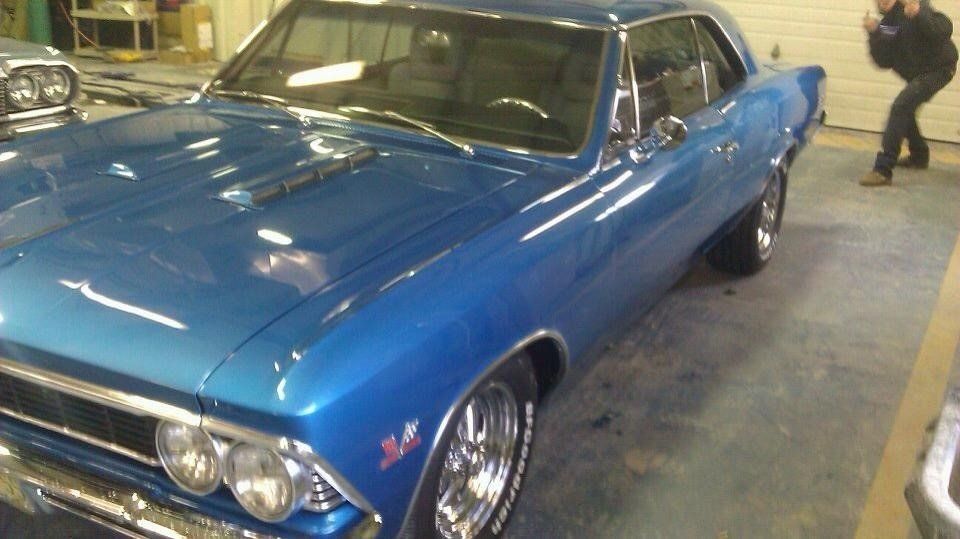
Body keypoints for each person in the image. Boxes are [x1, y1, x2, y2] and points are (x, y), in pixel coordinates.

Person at [860, 0, 957, 187]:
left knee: (900, 106)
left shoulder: (915, 7)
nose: (882, 1)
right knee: (906, 108)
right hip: (918, 74)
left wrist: (920, 13)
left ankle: (882, 170)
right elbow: (884, 60)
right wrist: (873, 34)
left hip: (939, 69)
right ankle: (919, 156)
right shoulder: (890, 24)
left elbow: (944, 29)